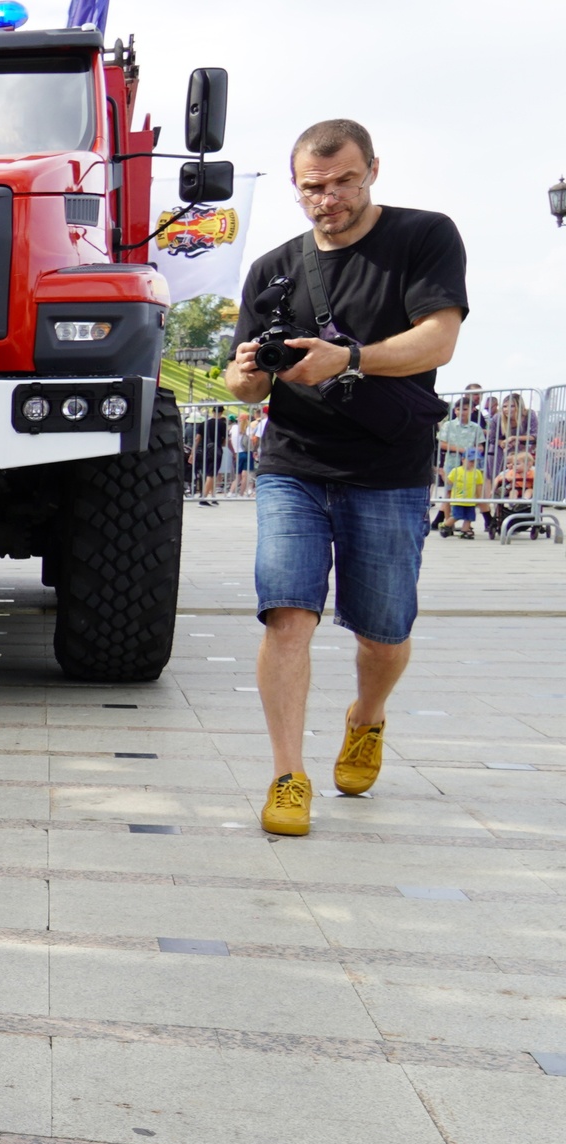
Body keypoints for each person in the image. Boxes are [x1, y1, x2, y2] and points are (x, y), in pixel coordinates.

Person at [221, 119, 465, 838]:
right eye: (312, 188)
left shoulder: (425, 237)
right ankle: (287, 776)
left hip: (388, 470)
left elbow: (439, 339)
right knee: (287, 612)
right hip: (292, 464)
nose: (328, 199)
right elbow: (247, 390)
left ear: (372, 171)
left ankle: (366, 716)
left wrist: (347, 358)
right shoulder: (273, 267)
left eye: (343, 182)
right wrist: (241, 377)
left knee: (384, 634)